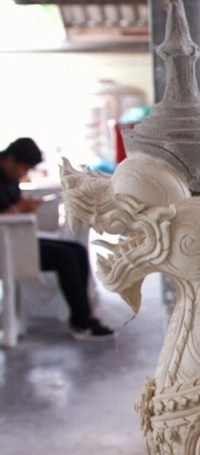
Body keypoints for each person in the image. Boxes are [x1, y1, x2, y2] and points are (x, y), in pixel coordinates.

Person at [0, 138, 114, 340]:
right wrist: (18, 209)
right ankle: (81, 322)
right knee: (65, 258)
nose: (23, 174)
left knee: (76, 250)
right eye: (23, 168)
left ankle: (84, 317)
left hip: (17, 241)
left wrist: (25, 206)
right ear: (10, 159)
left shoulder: (9, 179)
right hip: (5, 249)